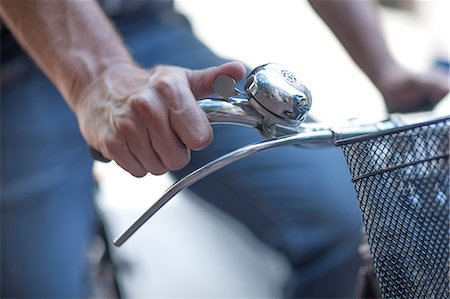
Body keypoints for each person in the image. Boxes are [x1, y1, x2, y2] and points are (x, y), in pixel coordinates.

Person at [0, 0, 447, 298]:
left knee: (350, 220)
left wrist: (387, 70)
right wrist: (97, 76)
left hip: (146, 23)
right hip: (14, 55)